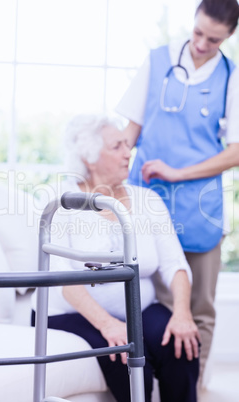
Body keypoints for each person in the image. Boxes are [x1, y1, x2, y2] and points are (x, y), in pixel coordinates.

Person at [31, 114, 199, 402]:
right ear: (90, 157)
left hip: (138, 308)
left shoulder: (148, 200)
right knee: (128, 363)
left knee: (179, 346)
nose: (128, 151)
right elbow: (62, 278)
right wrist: (107, 324)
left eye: (127, 144)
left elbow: (175, 264)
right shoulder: (60, 201)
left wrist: (182, 313)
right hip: (70, 314)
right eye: (117, 146)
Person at [115, 0, 239, 389]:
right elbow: (129, 131)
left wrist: (179, 172)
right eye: (198, 32)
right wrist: (108, 181)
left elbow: (236, 150)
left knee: (198, 309)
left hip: (199, 207)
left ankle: (192, 389)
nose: (202, 44)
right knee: (148, 301)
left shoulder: (232, 76)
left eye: (214, 39)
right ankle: (145, 388)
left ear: (229, 36)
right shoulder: (157, 62)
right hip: (147, 200)